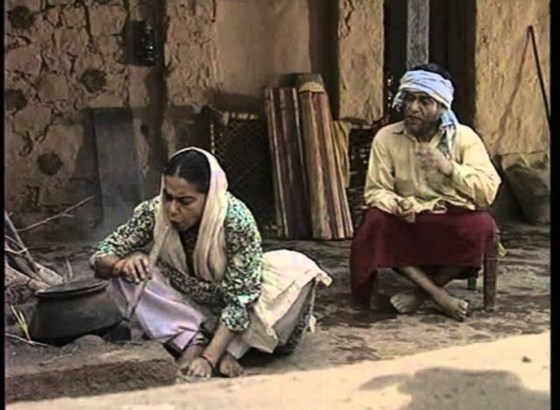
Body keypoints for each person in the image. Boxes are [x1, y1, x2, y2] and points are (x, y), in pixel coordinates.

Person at [90, 147, 332, 378]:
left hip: (233, 300)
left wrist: (208, 360)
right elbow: (103, 253)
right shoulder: (154, 211)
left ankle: (226, 350)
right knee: (126, 275)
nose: (172, 210)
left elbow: (241, 299)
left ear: (210, 196)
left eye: (185, 201)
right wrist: (120, 266)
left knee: (298, 272)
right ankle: (192, 340)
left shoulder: (236, 220)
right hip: (184, 300)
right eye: (168, 197)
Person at [350, 63, 501, 322]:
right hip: (407, 220)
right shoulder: (386, 138)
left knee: (482, 225)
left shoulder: (464, 138)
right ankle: (439, 295)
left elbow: (488, 191)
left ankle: (421, 294)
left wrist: (450, 169)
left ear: (441, 107)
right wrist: (398, 204)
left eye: (424, 101)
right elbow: (376, 191)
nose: (412, 108)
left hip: (448, 218)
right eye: (409, 99)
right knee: (375, 220)